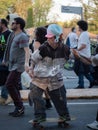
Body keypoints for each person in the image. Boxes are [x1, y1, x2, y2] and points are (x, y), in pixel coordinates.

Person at [28, 24, 70, 123]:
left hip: (55, 78)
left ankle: (64, 115)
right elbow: (33, 59)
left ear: (57, 37)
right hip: (40, 77)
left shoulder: (65, 49)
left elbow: (72, 57)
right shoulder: (43, 48)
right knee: (35, 95)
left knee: (60, 98)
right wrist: (30, 69)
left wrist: (79, 57)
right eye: (48, 37)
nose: (48, 39)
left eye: (50, 38)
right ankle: (40, 116)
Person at [5, 17, 30, 117]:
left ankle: (20, 107)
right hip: (12, 64)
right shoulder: (13, 35)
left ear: (18, 25)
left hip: (18, 65)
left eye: (13, 23)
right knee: (14, 86)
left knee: (9, 84)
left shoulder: (22, 36)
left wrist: (26, 63)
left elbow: (27, 50)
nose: (11, 24)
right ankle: (19, 108)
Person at [32, 26, 52, 109]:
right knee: (45, 85)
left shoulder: (36, 43)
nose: (33, 33)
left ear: (38, 34)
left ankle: (41, 105)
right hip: (48, 65)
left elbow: (36, 55)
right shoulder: (47, 42)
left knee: (38, 86)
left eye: (35, 31)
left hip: (40, 66)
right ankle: (48, 101)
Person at [73, 20, 95, 89]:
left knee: (80, 71)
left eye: (78, 26)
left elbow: (83, 45)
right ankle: (91, 81)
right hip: (84, 55)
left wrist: (77, 50)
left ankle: (81, 85)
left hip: (83, 56)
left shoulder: (84, 34)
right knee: (83, 71)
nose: (77, 28)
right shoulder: (85, 34)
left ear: (81, 27)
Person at [0, 19, 11, 105]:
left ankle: (5, 96)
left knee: (5, 76)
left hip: (5, 58)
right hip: (0, 57)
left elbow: (11, 45)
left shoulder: (9, 33)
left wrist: (2, 45)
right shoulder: (0, 33)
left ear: (3, 24)